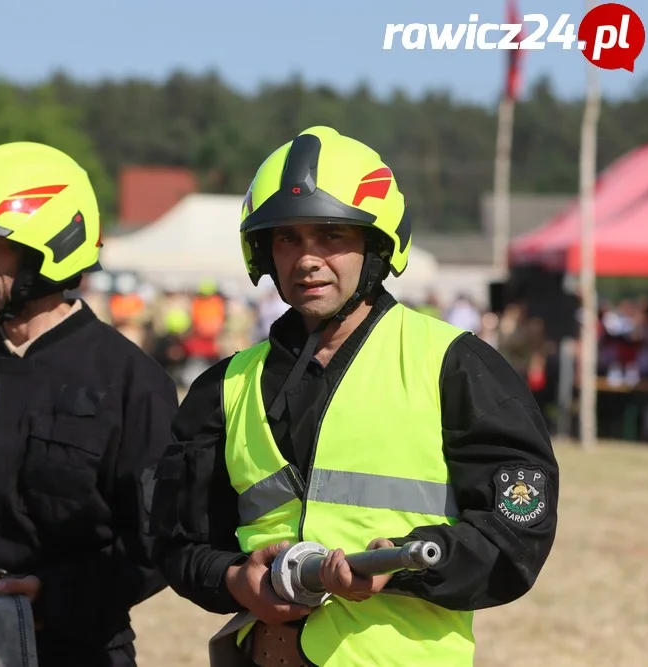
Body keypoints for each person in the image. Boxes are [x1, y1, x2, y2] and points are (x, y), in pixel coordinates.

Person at [149, 126, 559, 667]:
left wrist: (407, 564)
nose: (306, 259)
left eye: (331, 236)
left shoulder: (456, 366)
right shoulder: (223, 388)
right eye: (287, 238)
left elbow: (516, 535)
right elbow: (176, 541)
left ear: (376, 245)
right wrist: (232, 579)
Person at [0, 142, 178, 667]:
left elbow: (156, 545)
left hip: (80, 649)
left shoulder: (131, 381)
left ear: (51, 245)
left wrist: (53, 595)